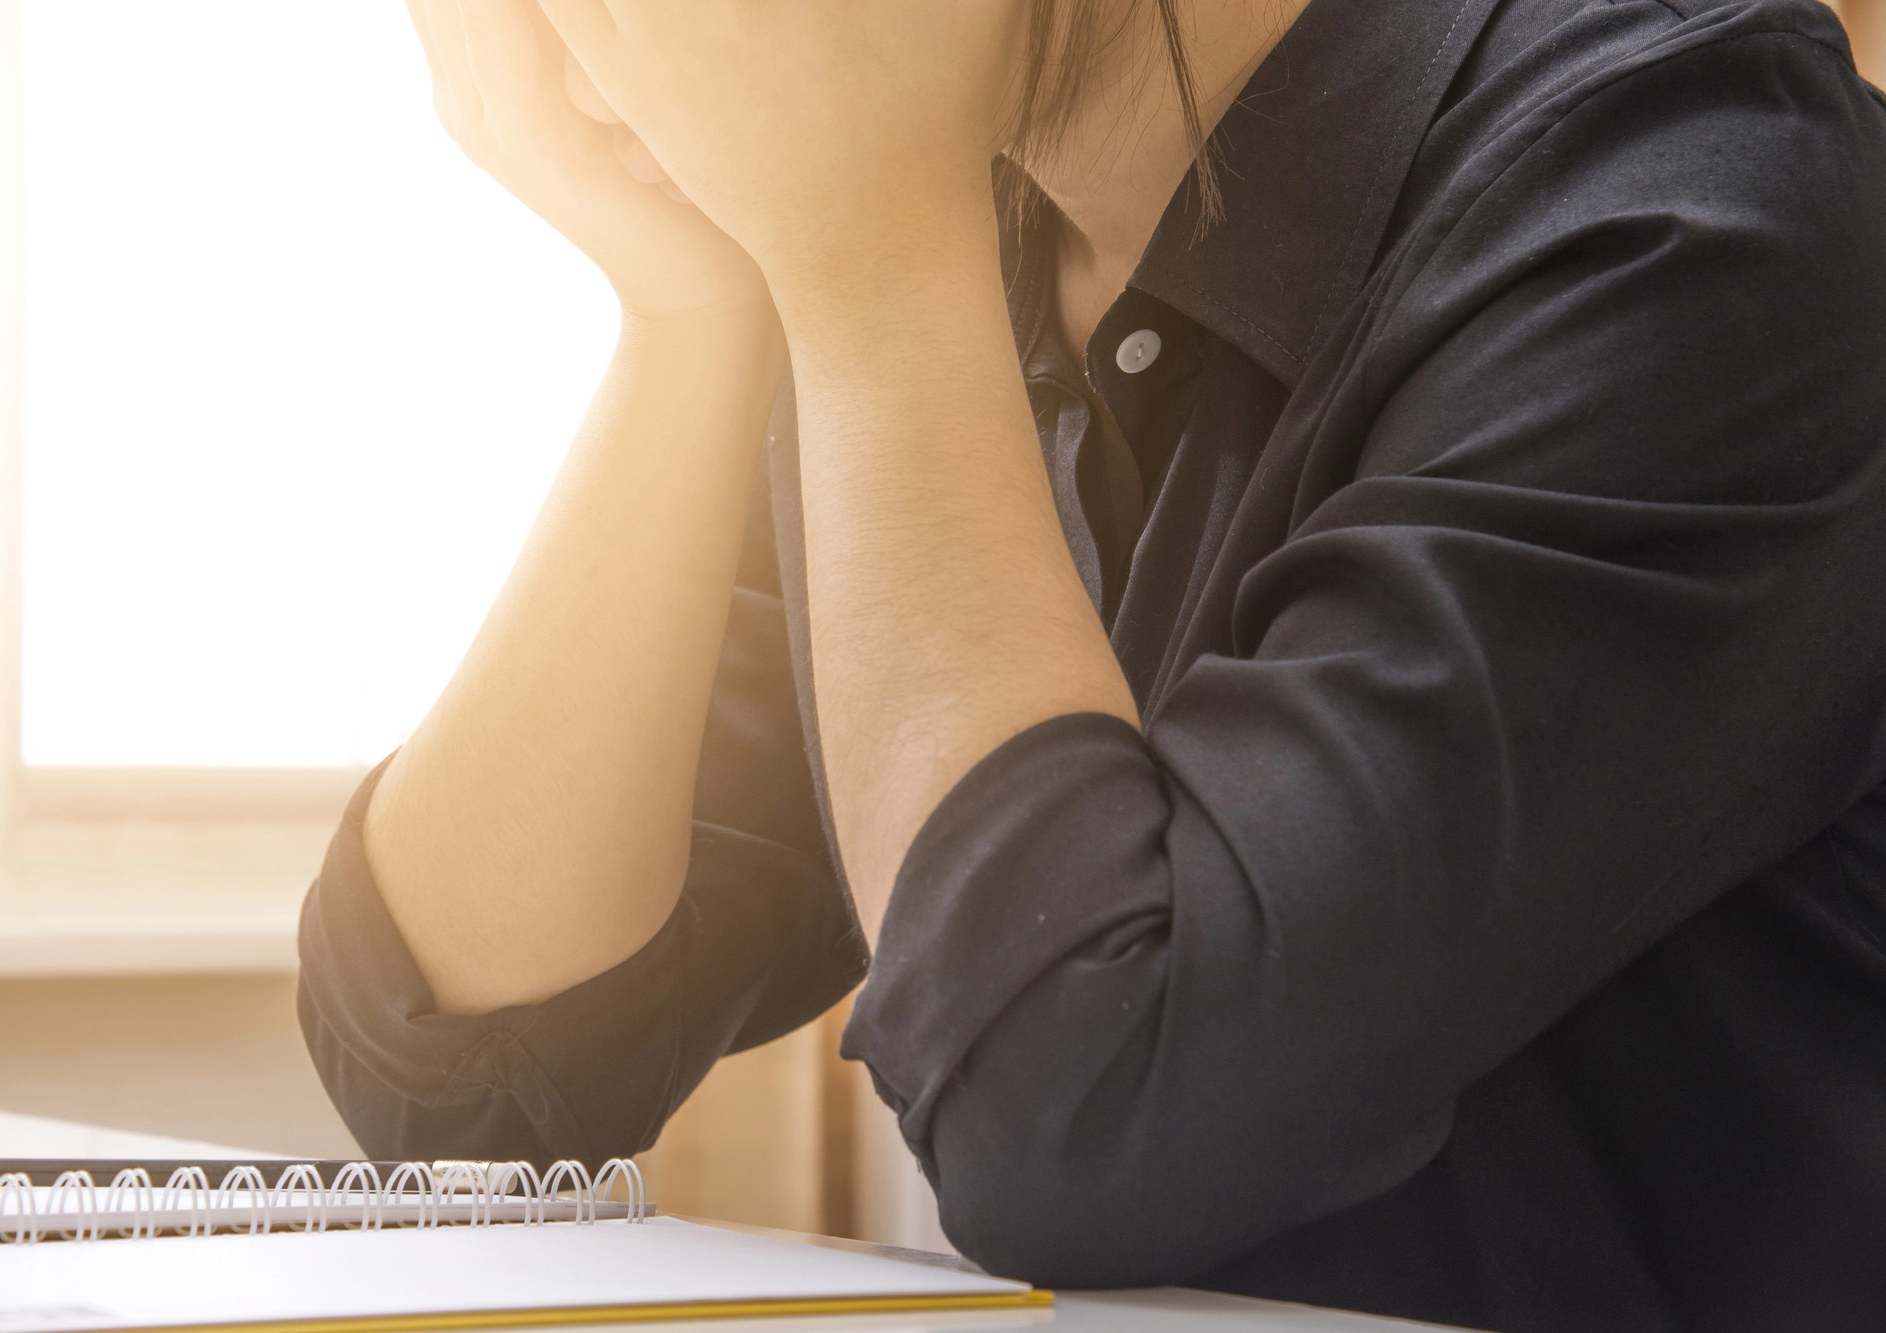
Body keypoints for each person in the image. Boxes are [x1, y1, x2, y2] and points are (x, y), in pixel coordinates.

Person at [296, 0, 1886, 1327]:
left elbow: (1094, 1112)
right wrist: (696, 298)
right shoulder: (951, 239)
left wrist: (866, 258)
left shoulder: (1694, 195)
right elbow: (479, 1085)